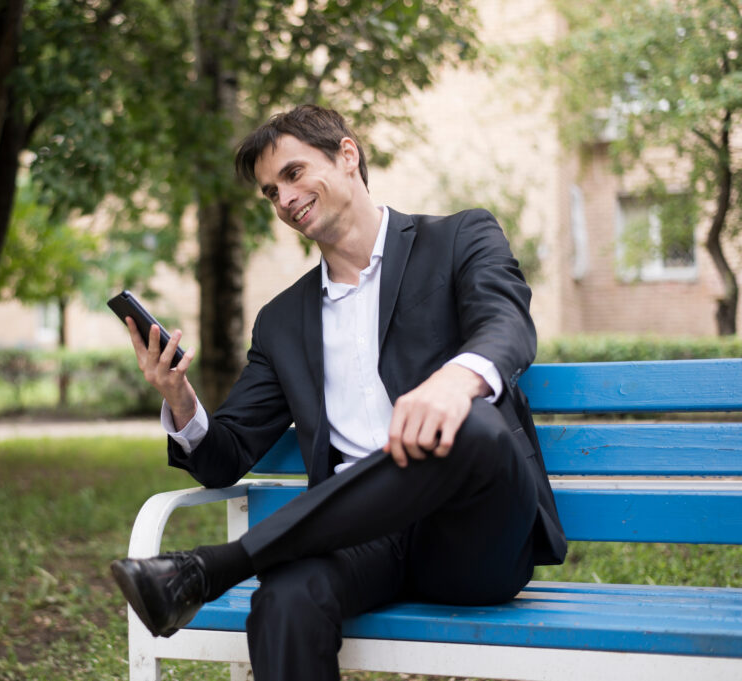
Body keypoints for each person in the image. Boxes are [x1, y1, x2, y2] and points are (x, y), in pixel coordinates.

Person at [110, 104, 566, 681]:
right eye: (271, 192)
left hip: (471, 538)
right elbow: (225, 456)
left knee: (473, 424)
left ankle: (212, 568)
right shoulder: (282, 322)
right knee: (283, 598)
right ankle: (213, 571)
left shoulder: (458, 238)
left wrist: (456, 381)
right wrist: (177, 396)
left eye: (294, 173)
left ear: (347, 155)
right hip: (359, 537)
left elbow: (507, 322)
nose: (284, 199)